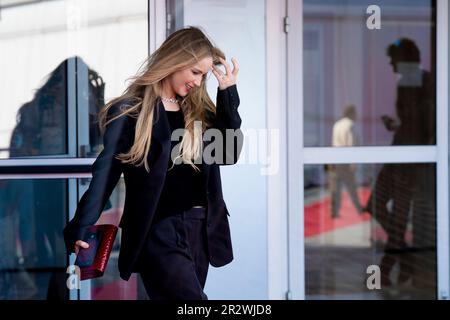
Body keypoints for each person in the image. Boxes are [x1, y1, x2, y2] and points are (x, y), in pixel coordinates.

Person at [63, 26, 243, 300]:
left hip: (200, 227)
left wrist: (228, 94)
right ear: (175, 60)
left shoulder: (199, 110)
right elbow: (105, 175)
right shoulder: (130, 111)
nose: (198, 81)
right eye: (195, 72)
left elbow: (228, 153)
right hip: (158, 230)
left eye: (203, 75)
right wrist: (80, 225)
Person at [365, 38, 435, 288]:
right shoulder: (407, 82)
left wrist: (420, 162)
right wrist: (396, 126)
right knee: (377, 205)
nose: (390, 64)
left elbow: (429, 126)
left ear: (405, 60)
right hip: (401, 156)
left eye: (393, 59)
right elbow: (414, 124)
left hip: (410, 162)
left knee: (397, 215)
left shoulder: (424, 82)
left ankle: (390, 268)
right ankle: (404, 261)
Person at [329, 104, 364, 218]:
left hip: (334, 159)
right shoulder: (350, 125)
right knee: (352, 187)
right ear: (352, 113)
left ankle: (334, 212)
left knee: (335, 188)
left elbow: (334, 142)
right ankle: (359, 209)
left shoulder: (337, 125)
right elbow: (351, 145)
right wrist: (353, 163)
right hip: (345, 162)